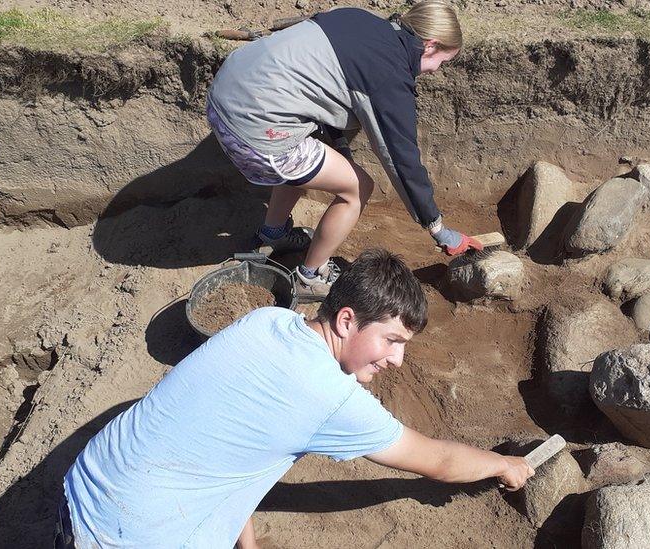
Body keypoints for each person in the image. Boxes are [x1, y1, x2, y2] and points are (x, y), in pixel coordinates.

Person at [58, 249, 534, 548]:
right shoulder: (326, 395)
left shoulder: (267, 321)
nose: (397, 360)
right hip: (121, 537)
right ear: (346, 320)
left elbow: (236, 450)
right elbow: (436, 460)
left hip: (79, 494)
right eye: (391, 340)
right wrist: (502, 465)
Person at [207, 1, 483, 303]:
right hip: (255, 133)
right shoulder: (389, 76)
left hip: (224, 99)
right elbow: (401, 159)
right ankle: (310, 278)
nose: (435, 71)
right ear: (430, 46)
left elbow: (328, 90)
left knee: (310, 156)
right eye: (442, 61)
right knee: (358, 188)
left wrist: (338, 148)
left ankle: (273, 236)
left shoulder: (357, 18)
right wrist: (438, 228)